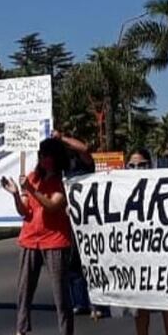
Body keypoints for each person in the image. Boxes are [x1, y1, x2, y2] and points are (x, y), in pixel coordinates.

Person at [2, 137, 76, 335]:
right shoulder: (33, 177)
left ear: (56, 158)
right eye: (41, 155)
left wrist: (32, 191)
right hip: (29, 239)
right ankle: (20, 334)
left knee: (59, 292)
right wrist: (17, 193)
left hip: (55, 240)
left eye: (48, 156)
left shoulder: (62, 181)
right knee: (24, 290)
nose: (44, 159)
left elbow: (54, 205)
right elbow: (24, 211)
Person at [125, 149, 168, 335]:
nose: (138, 169)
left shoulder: (163, 187)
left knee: (167, 303)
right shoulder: (123, 191)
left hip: (162, 254)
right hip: (138, 255)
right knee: (140, 305)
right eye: (133, 165)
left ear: (151, 166)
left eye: (142, 165)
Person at [57, 132, 111, 320]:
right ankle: (80, 302)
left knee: (93, 260)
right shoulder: (61, 168)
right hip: (71, 220)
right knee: (72, 262)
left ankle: (99, 304)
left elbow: (86, 149)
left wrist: (61, 137)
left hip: (89, 220)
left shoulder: (85, 163)